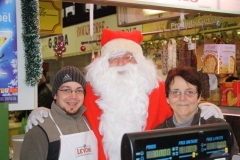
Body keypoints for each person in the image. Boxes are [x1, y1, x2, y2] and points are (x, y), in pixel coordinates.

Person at [26, 29, 223, 160]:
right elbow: (67, 105)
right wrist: (44, 112)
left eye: (128, 57)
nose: (121, 63)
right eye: (113, 58)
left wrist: (202, 108)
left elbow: (182, 106)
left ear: (139, 62)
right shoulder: (89, 93)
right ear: (103, 64)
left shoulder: (158, 90)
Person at [154, 66, 239, 155]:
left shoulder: (218, 129)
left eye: (189, 92)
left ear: (199, 97)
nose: (182, 98)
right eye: (176, 92)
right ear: (167, 98)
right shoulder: (156, 135)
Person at [20, 66, 98, 160]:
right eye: (66, 90)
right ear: (55, 94)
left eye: (79, 90)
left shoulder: (91, 123)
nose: (73, 96)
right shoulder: (38, 132)